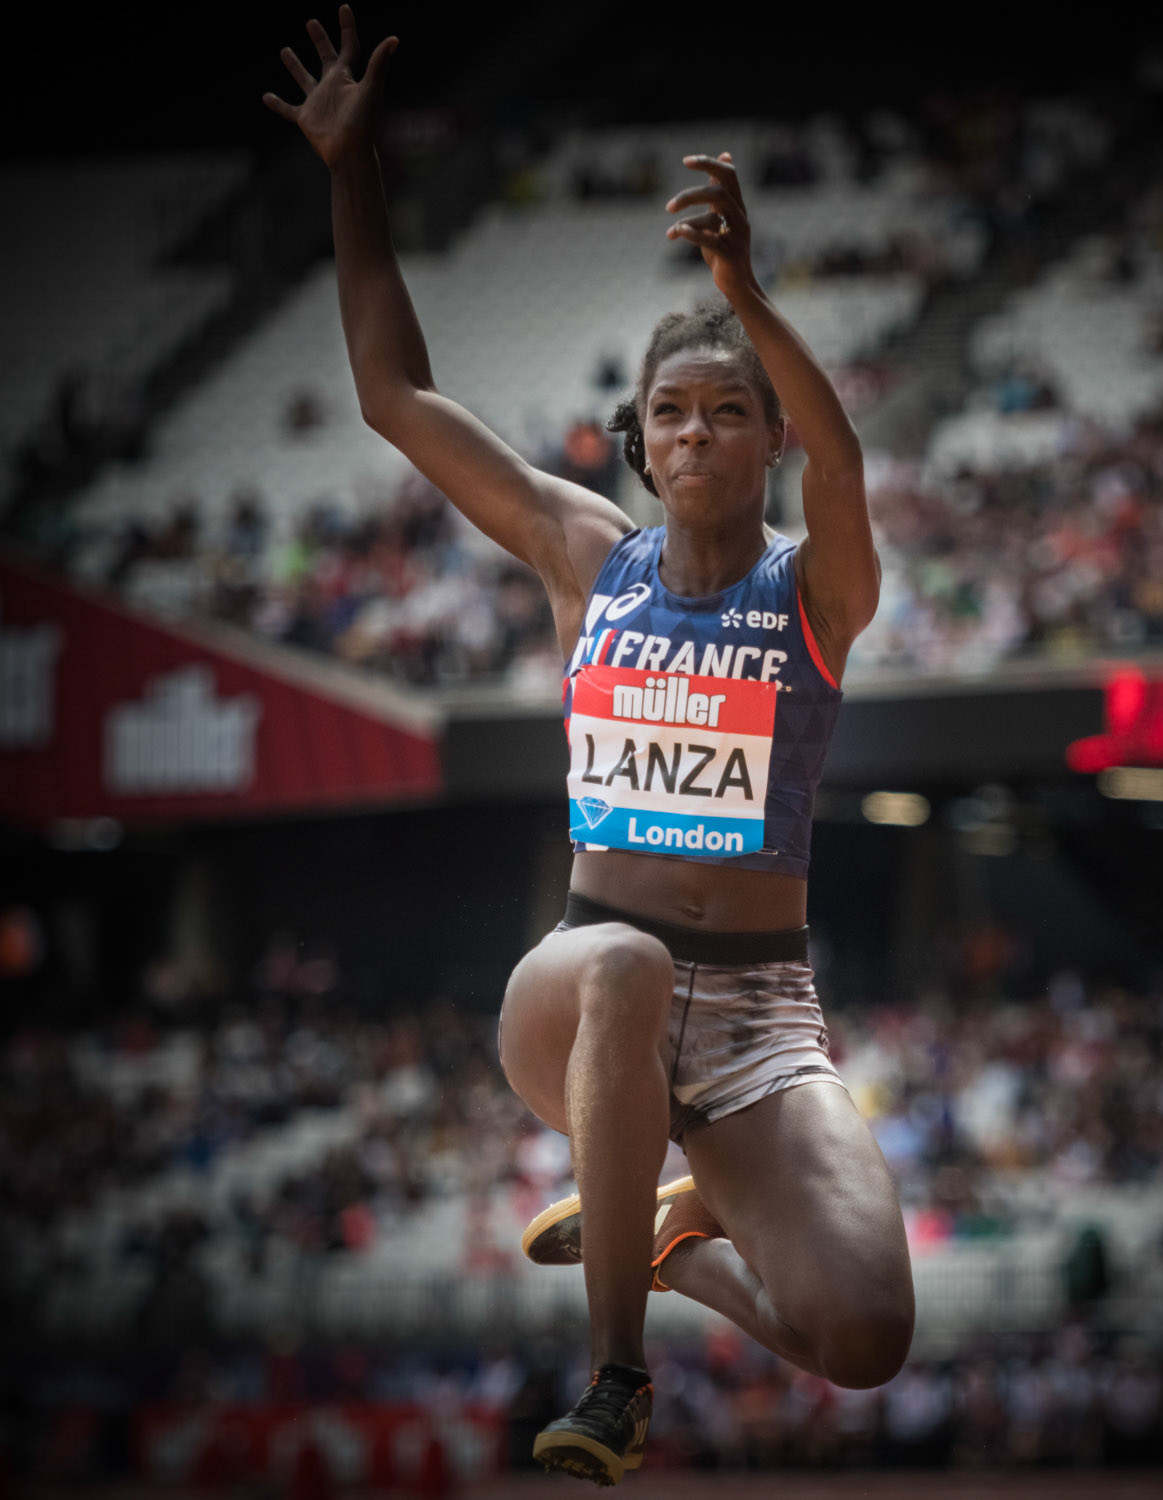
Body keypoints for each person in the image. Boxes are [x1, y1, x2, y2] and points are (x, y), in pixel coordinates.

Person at [266, 8, 914, 1485]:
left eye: (729, 413)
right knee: (626, 964)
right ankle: (617, 1377)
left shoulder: (816, 591)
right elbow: (393, 399)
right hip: (580, 985)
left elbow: (856, 464)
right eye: (671, 415)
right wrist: (353, 173)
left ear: (770, 439)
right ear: (639, 442)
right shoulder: (585, 557)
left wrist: (746, 291)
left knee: (866, 1335)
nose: (697, 435)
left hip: (760, 1020)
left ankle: (680, 1243)